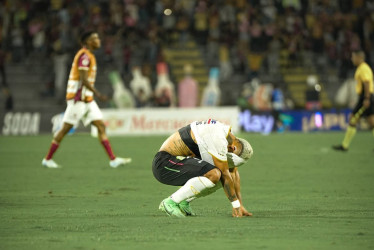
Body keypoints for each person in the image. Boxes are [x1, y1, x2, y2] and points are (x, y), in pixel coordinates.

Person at [42, 31, 131, 168]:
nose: (98, 40)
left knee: (101, 126)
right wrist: (98, 94)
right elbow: (83, 79)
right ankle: (47, 159)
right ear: (88, 42)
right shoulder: (84, 56)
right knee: (65, 129)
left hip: (87, 99)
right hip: (78, 99)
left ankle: (113, 160)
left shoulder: (89, 55)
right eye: (94, 38)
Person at [152, 119, 253, 218]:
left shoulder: (227, 137)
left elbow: (233, 172)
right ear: (232, 148)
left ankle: (183, 201)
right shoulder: (218, 139)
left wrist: (240, 204)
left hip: (178, 161)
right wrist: (236, 206)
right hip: (164, 164)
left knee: (221, 175)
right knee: (214, 174)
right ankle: (171, 202)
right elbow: (225, 174)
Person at [333, 50, 374, 151]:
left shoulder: (363, 68)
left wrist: (367, 98)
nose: (352, 59)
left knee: (353, 119)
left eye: (353, 57)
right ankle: (344, 145)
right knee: (371, 121)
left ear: (359, 57)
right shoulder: (362, 68)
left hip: (365, 96)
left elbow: (367, 82)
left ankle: (345, 145)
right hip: (367, 96)